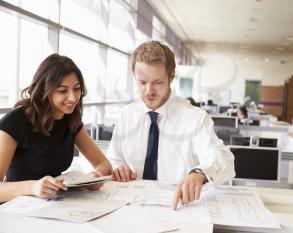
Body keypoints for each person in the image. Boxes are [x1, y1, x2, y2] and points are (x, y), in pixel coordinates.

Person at [107, 41, 235, 210]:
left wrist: (199, 174)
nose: (149, 91)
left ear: (171, 77)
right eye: (142, 82)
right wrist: (117, 168)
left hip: (178, 208)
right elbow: (113, 158)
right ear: (133, 75)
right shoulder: (126, 115)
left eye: (157, 82)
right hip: (130, 206)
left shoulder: (195, 118)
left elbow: (223, 159)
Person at [0, 54, 112, 202]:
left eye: (77, 89)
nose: (72, 98)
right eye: (62, 91)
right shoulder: (14, 121)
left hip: (53, 203)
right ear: (44, 90)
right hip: (17, 206)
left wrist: (94, 177)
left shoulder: (71, 119)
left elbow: (103, 164)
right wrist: (32, 187)